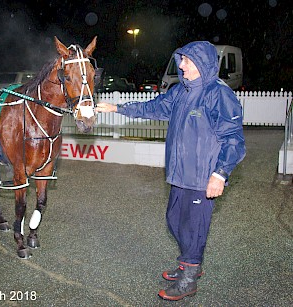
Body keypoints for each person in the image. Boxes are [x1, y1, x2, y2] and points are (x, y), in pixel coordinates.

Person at [96, 41, 246, 301]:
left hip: (202, 176)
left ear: (202, 64)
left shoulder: (218, 94)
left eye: (187, 60)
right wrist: (117, 108)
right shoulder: (181, 91)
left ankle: (189, 276)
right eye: (181, 59)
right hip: (180, 174)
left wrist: (220, 174)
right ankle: (189, 262)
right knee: (175, 219)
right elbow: (152, 107)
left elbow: (234, 139)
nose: (181, 65)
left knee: (193, 225)